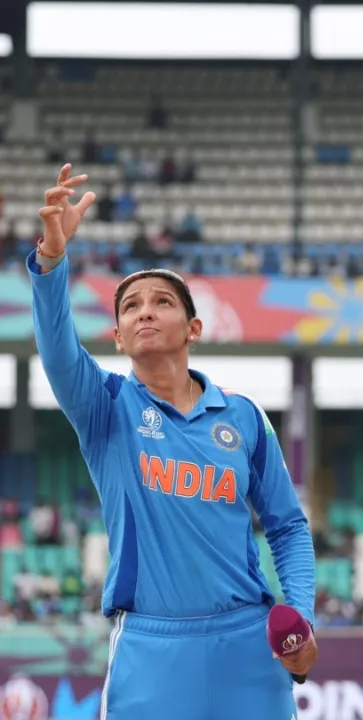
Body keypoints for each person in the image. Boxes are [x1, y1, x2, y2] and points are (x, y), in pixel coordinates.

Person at [30, 164, 317, 720]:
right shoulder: (105, 406)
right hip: (151, 648)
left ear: (193, 328)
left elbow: (288, 526)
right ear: (116, 337)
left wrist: (299, 618)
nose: (145, 312)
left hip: (247, 647)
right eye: (131, 307)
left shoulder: (244, 418)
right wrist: (50, 263)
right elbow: (58, 348)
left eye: (161, 302)